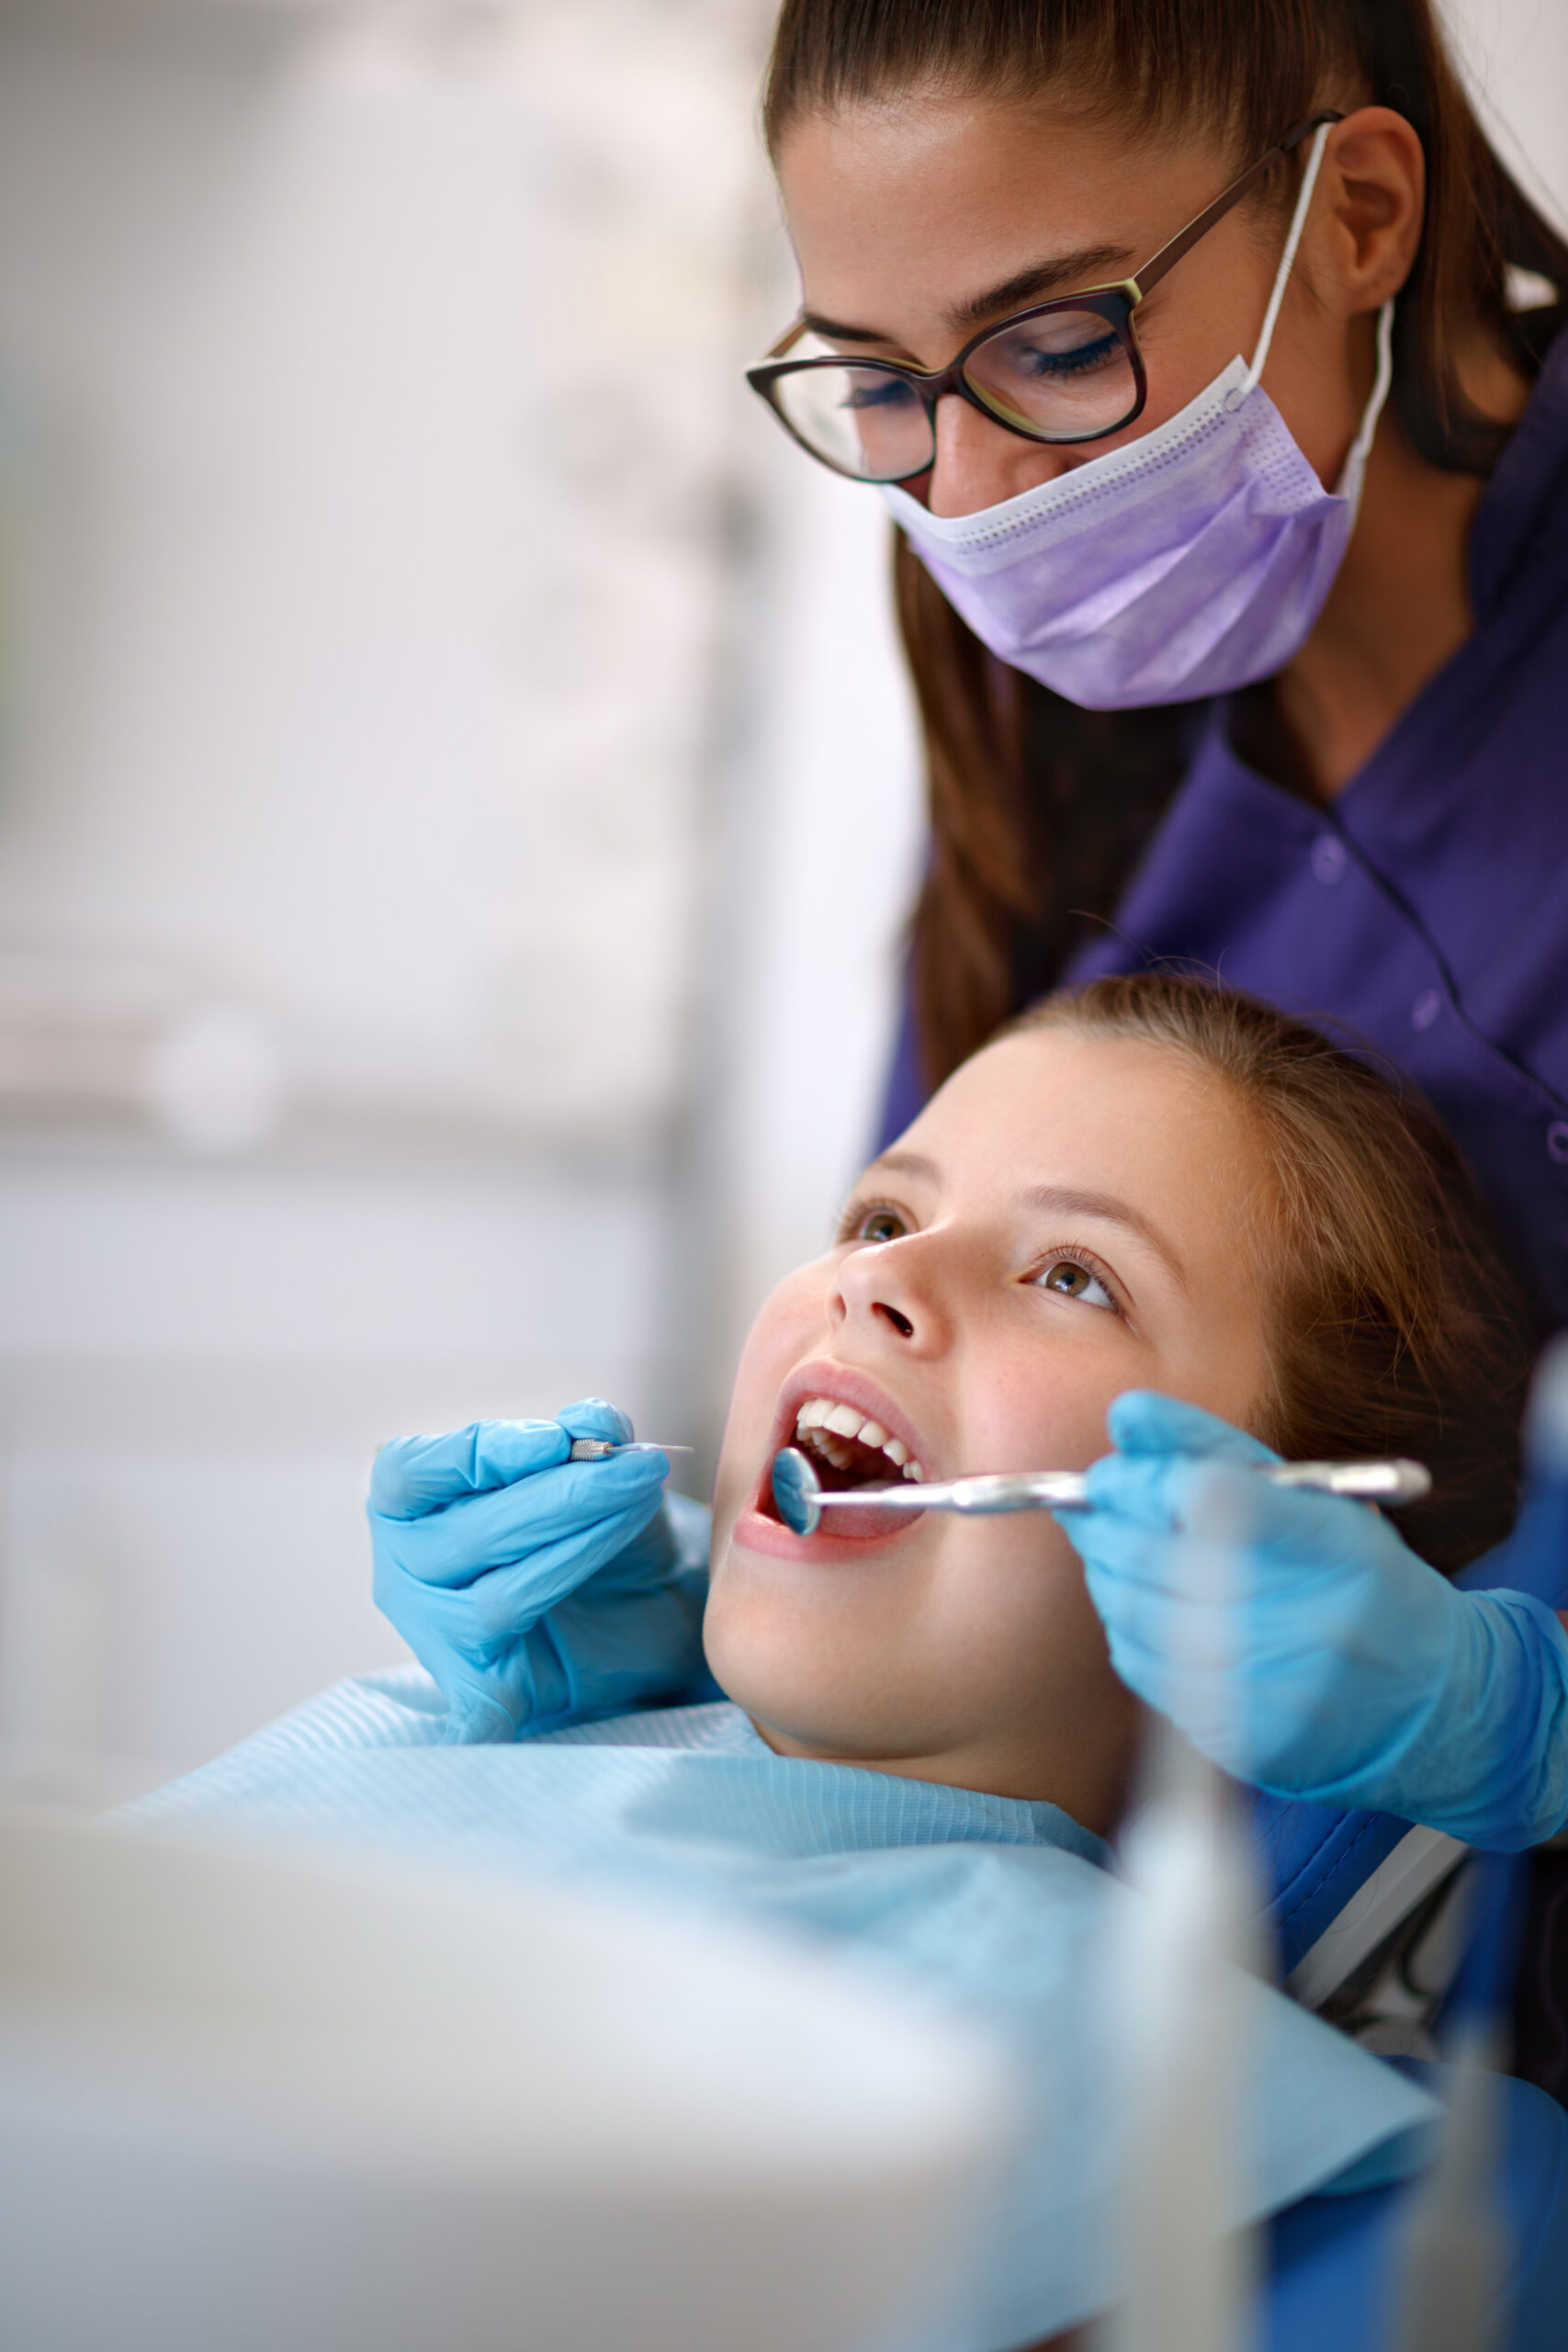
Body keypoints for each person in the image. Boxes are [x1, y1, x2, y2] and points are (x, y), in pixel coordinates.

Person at [140, 976, 1551, 2345]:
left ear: (1282, 1530)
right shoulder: (481, 1710)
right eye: (882, 1212)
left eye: (1074, 1276)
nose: (881, 1276)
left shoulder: (1151, 2100)